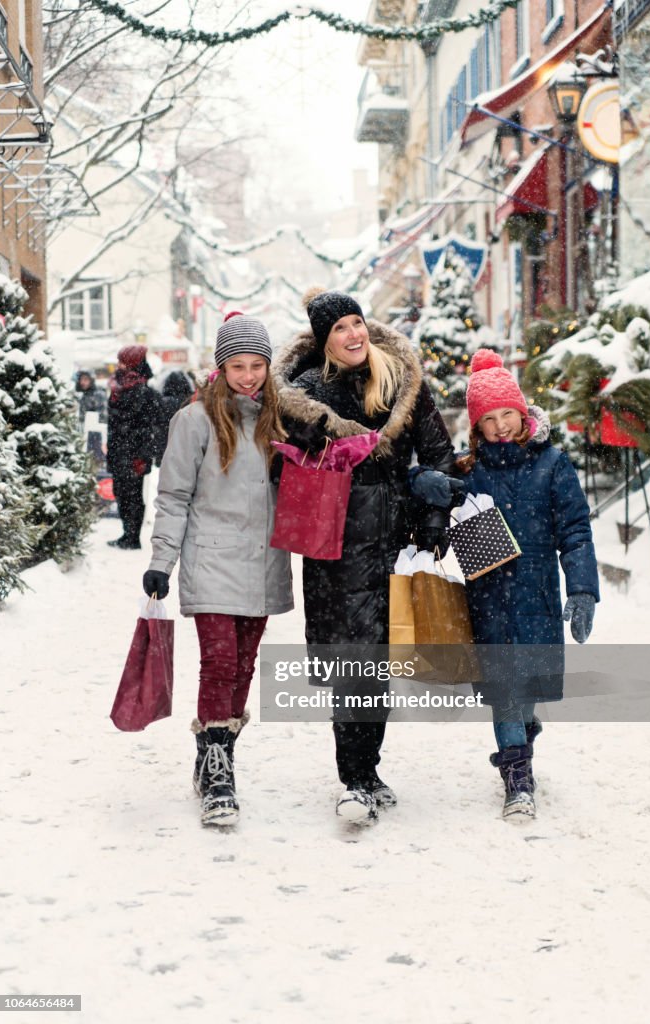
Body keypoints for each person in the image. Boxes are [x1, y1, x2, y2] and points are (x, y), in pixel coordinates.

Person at [273, 287, 463, 824]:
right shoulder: (307, 392)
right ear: (324, 340)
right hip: (336, 544)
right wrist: (307, 441)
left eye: (356, 322)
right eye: (340, 328)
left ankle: (369, 769)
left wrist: (432, 517)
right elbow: (280, 470)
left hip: (397, 542)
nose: (353, 334)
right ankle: (353, 778)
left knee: (381, 660)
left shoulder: (400, 380)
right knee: (349, 659)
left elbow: (439, 452)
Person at [142, 313, 293, 828]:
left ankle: (216, 751)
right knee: (220, 663)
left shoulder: (280, 421)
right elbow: (174, 496)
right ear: (220, 366)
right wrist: (162, 560)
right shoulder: (194, 421)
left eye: (257, 366)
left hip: (263, 562)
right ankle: (219, 769)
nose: (248, 375)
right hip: (211, 560)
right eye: (237, 365)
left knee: (245, 666)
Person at [453, 349, 599, 819]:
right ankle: (518, 776)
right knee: (503, 689)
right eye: (489, 419)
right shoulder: (468, 471)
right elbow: (427, 495)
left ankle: (523, 736)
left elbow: (575, 529)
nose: (500, 426)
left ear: (523, 411)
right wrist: (424, 483)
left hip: (536, 597)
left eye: (507, 414)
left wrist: (581, 588)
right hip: (487, 601)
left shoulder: (552, 464)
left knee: (525, 689)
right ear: (476, 426)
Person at [106, 345, 163, 550]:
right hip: (119, 450)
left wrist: (142, 455)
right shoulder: (119, 387)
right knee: (120, 492)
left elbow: (148, 427)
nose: (118, 365)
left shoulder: (143, 392)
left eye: (122, 361)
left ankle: (132, 537)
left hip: (134, 454)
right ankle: (126, 533)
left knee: (133, 495)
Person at [156, 370, 195, 463]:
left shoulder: (162, 402)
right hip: (186, 446)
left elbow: (159, 426)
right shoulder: (190, 401)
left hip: (166, 446)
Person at [75, 369, 107, 464]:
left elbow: (103, 416)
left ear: (91, 380)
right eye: (81, 380)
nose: (82, 382)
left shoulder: (98, 394)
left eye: (86, 379)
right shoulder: (83, 395)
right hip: (84, 433)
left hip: (95, 436)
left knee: (94, 462)